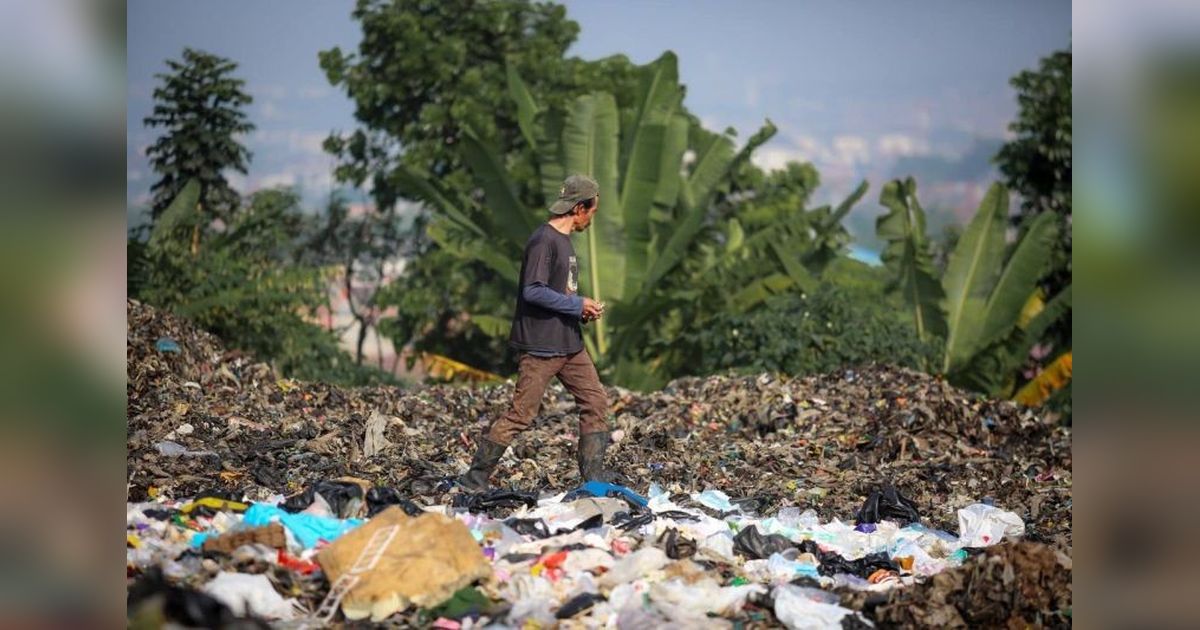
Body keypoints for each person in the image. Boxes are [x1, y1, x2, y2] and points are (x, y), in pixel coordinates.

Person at [458, 174, 616, 492]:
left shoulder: (564, 241)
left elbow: (558, 293)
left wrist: (580, 310)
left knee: (596, 401)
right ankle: (474, 480)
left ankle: (594, 480)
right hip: (541, 347)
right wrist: (576, 304)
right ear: (581, 208)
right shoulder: (544, 241)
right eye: (593, 211)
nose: (592, 218)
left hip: (569, 344)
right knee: (522, 414)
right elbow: (533, 291)